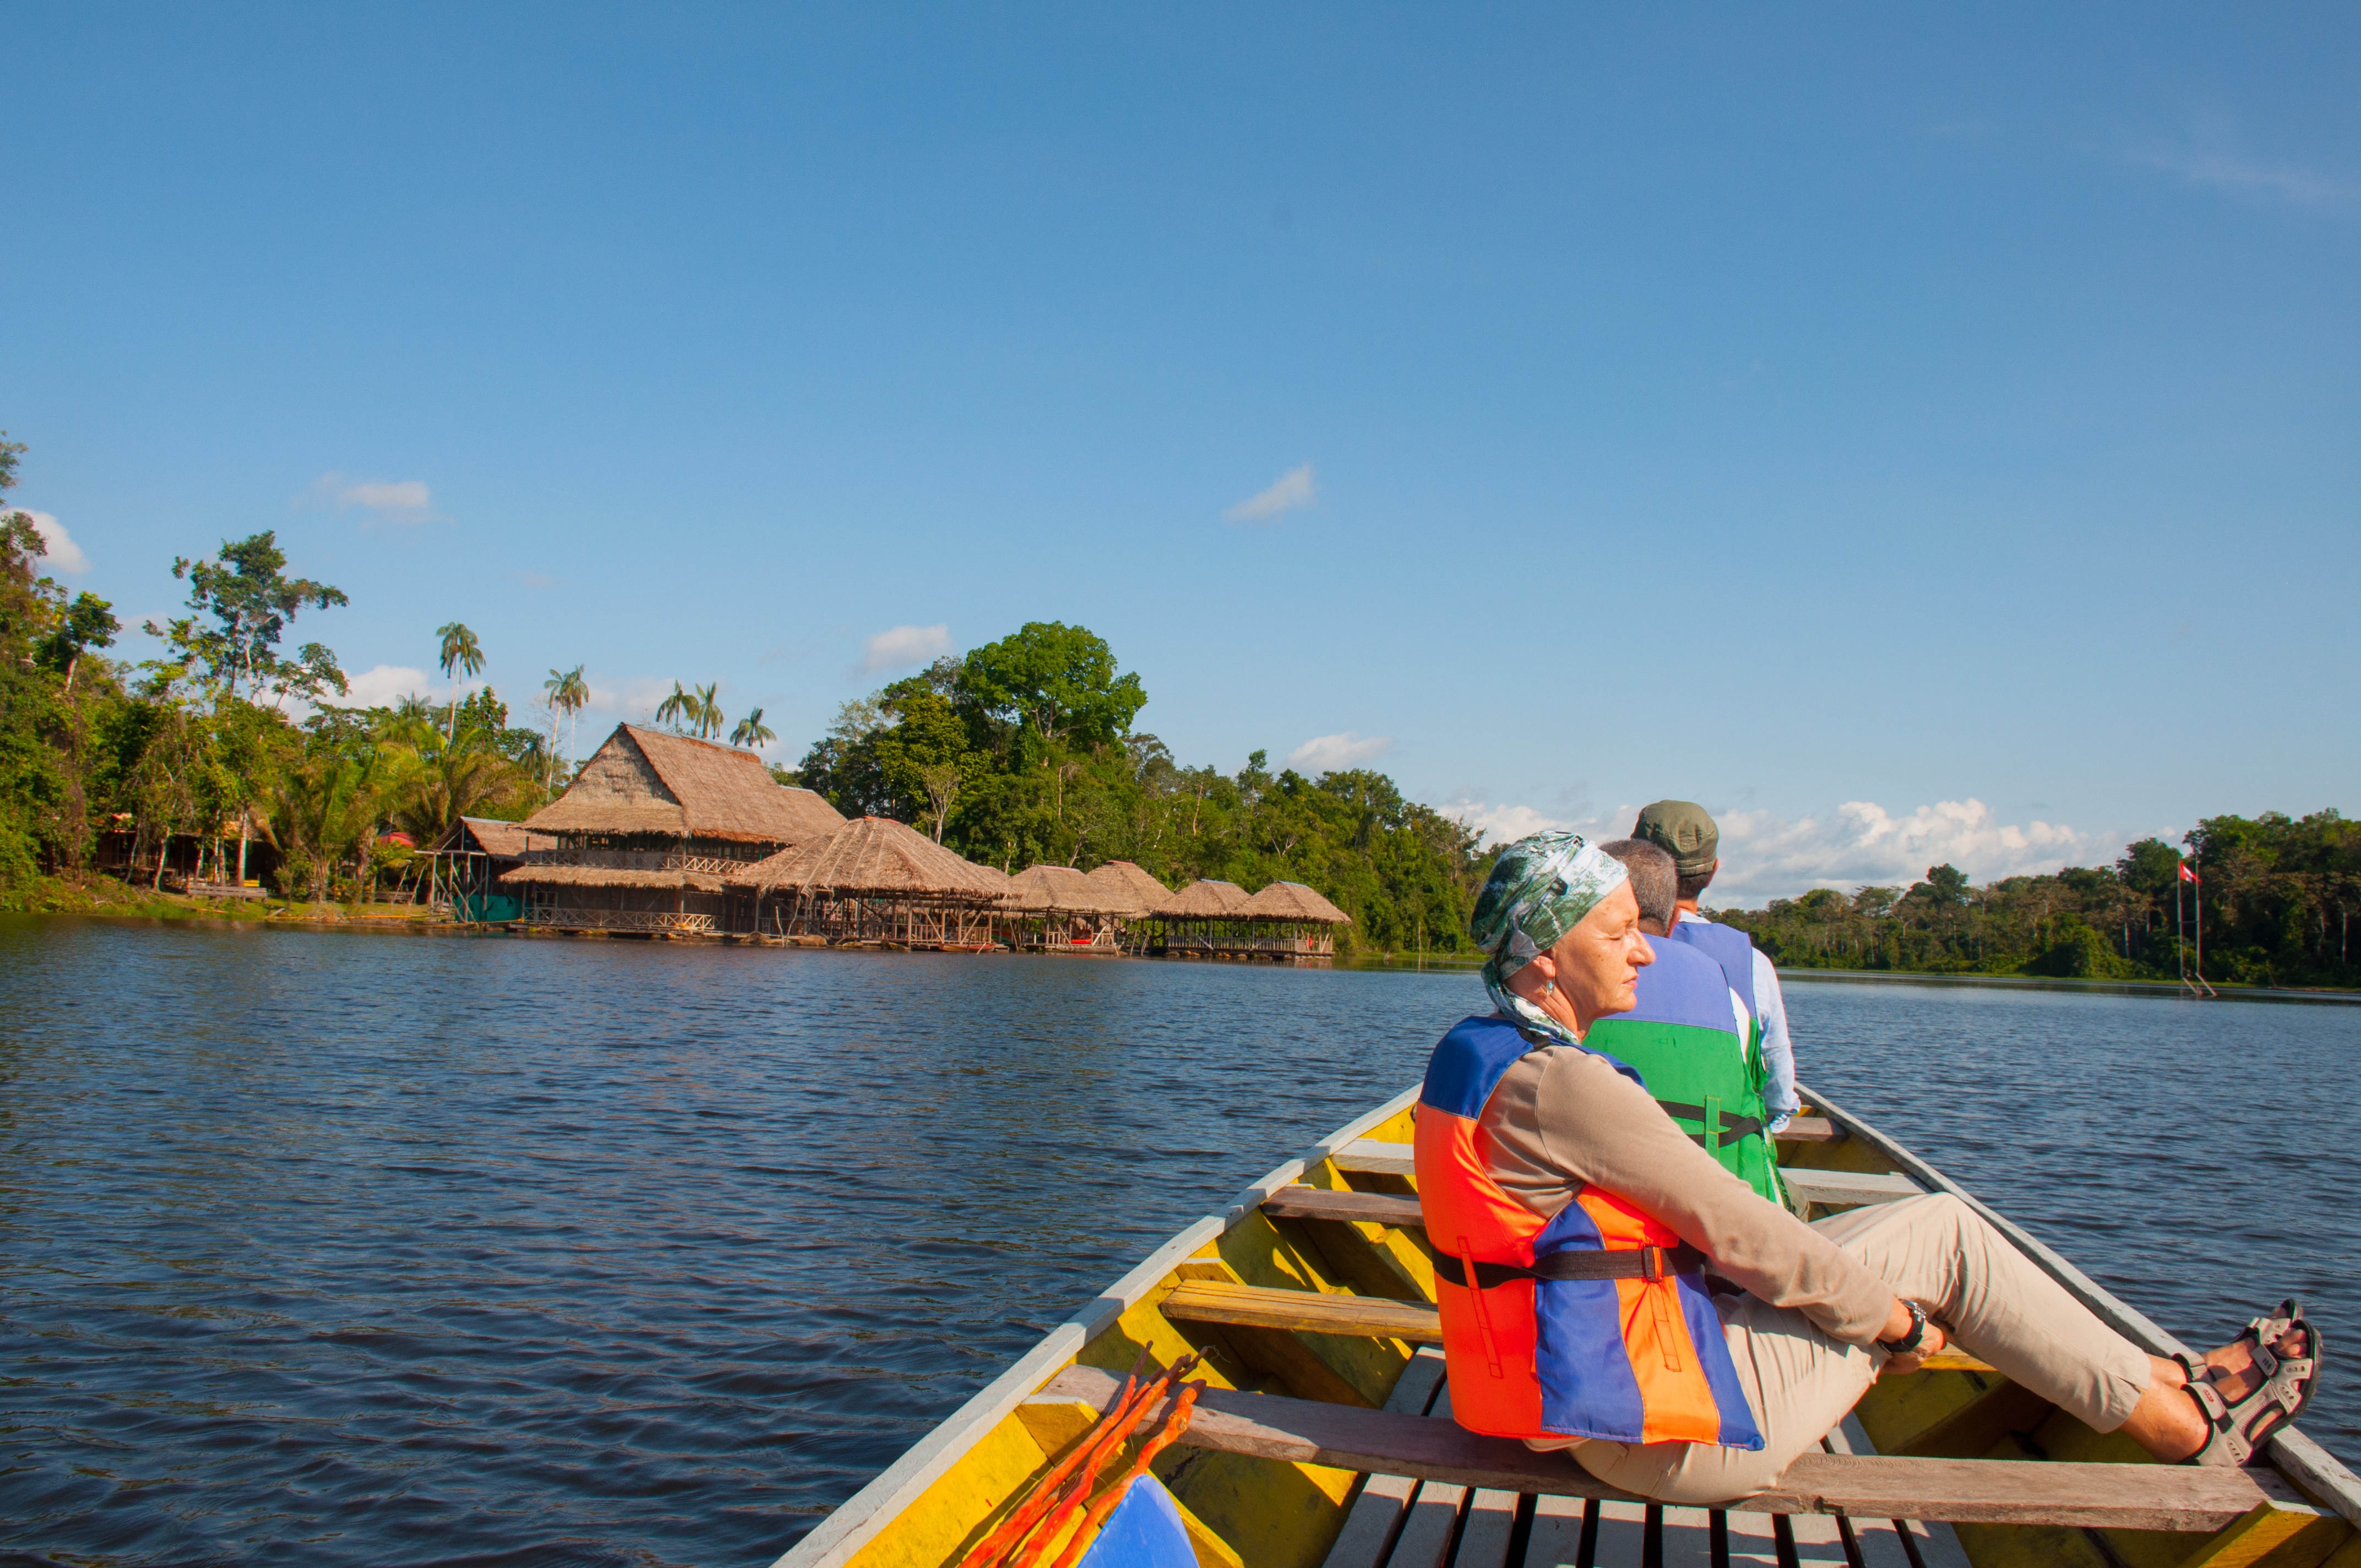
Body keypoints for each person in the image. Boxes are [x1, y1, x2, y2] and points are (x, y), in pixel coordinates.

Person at [1414, 830, 2318, 1504]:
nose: (1645, 947)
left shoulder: (1476, 1049)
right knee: (1950, 1245)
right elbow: (1746, 1230)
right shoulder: (1565, 1083)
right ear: (1544, 961)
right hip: (1653, 1436)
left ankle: (2164, 1377)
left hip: (1566, 1402)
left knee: (1932, 1228)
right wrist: (1892, 1324)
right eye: (1617, 934)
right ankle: (2183, 1419)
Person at [1582, 839, 1783, 1205]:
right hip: (1716, 1210)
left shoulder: (1564, 995)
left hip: (1601, 1201)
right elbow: (1773, 1094)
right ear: (1675, 920)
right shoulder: (1731, 1000)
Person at [1633, 799, 1800, 1134]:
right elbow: (1779, 1094)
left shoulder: (1598, 945)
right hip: (1719, 1151)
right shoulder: (1754, 963)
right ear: (1713, 871)